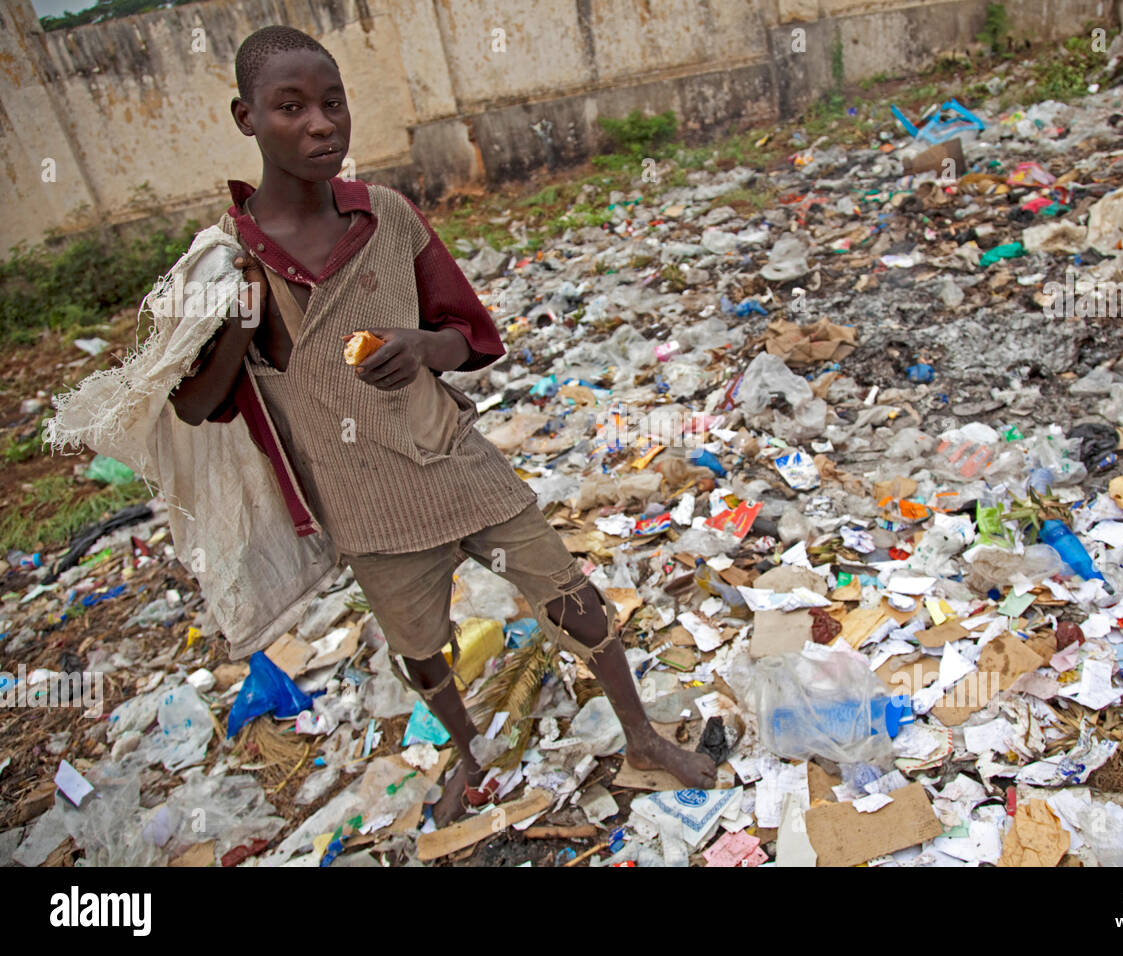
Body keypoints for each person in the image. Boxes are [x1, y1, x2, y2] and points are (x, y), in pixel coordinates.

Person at [169, 25, 715, 824]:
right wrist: (244, 325)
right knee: (424, 654)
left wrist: (425, 345)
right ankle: (469, 754)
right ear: (245, 118)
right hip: (363, 501)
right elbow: (191, 403)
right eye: (290, 107)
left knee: (574, 598)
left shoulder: (386, 217)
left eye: (332, 103)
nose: (321, 124)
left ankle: (641, 736)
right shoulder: (225, 264)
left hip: (454, 459)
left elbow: (470, 334)